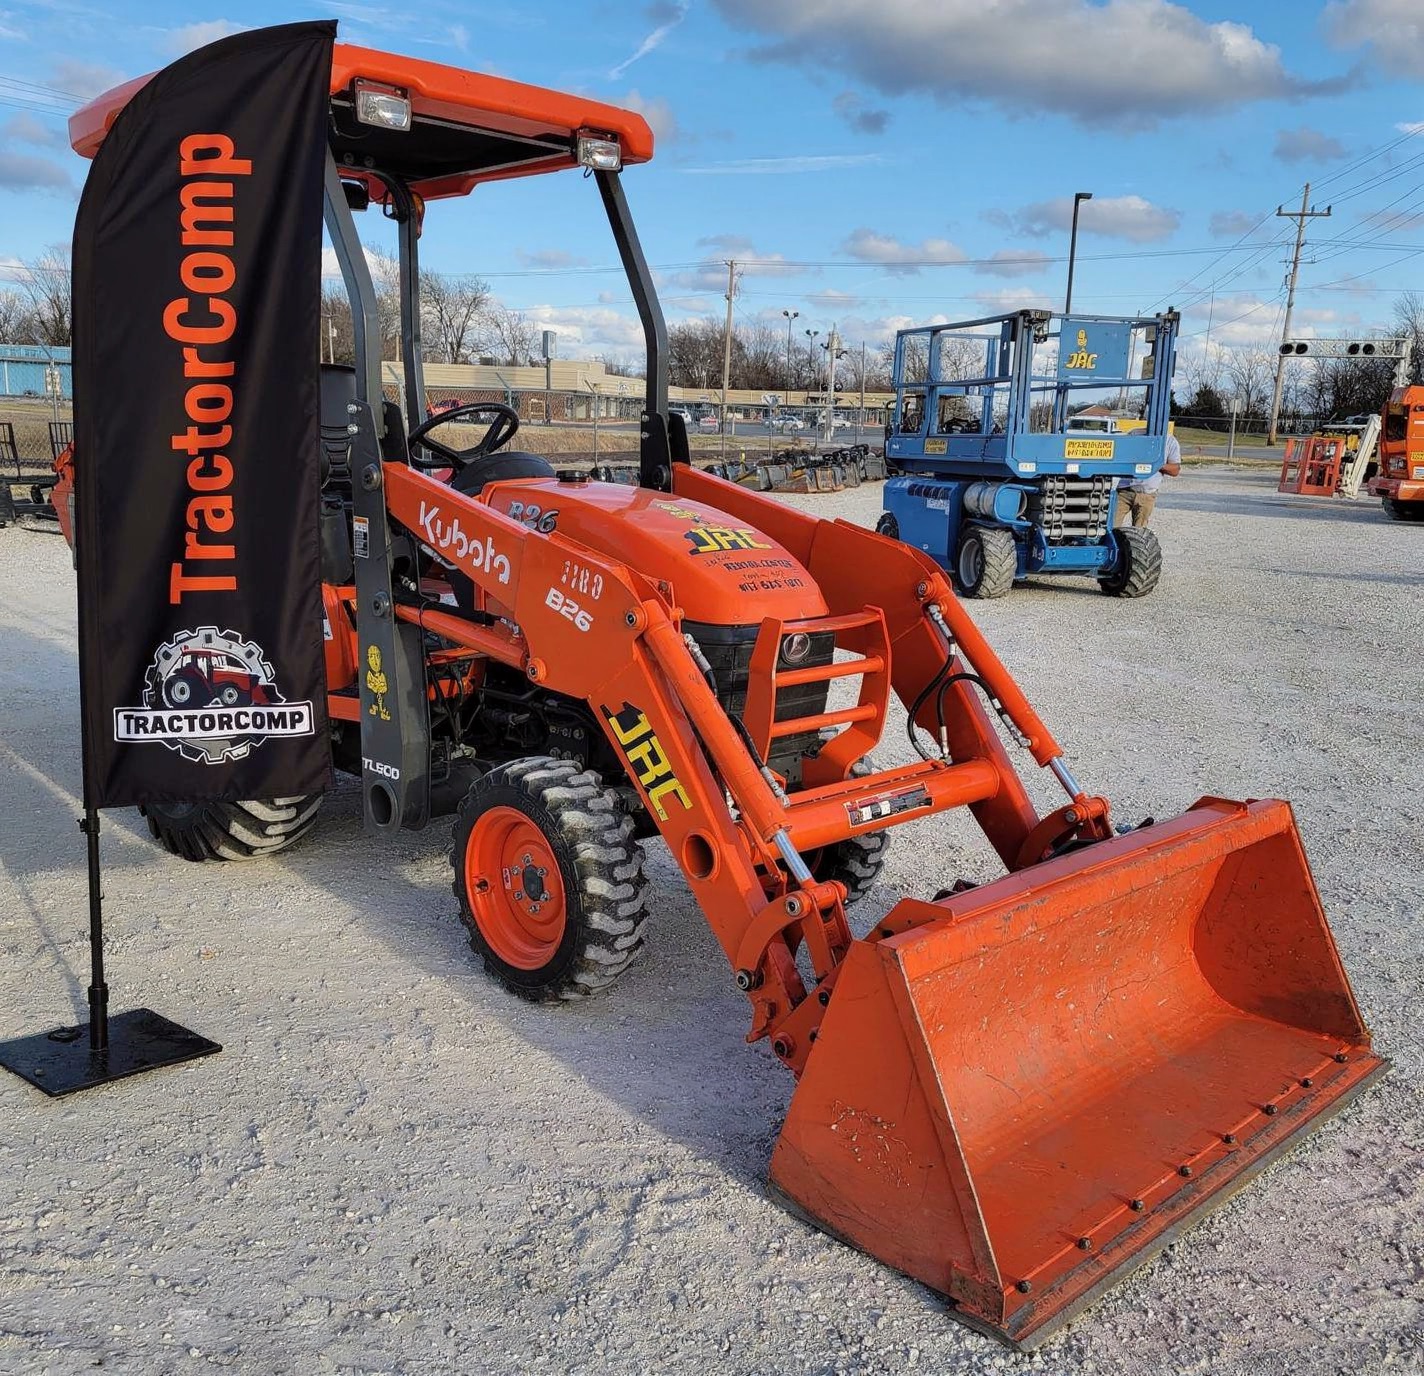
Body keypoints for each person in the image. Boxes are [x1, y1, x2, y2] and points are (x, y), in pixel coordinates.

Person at [1114, 431, 1181, 528]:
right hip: (1123, 491)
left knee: (1140, 531)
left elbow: (1175, 470)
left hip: (1147, 493)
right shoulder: (1134, 435)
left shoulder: (1169, 440)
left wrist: (1155, 464)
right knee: (1110, 527)